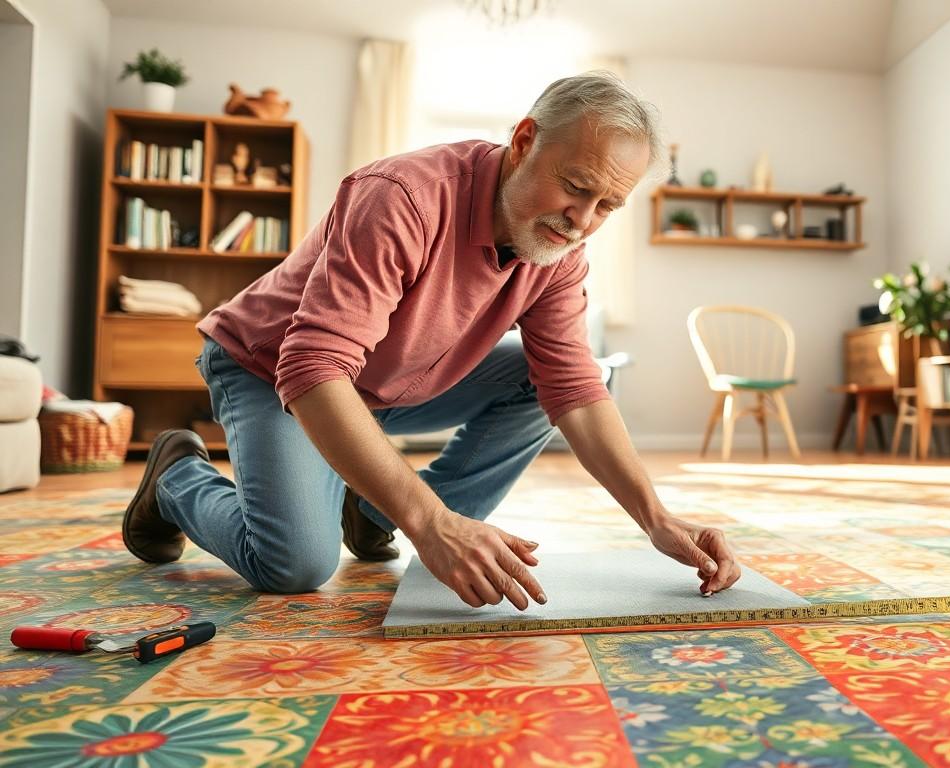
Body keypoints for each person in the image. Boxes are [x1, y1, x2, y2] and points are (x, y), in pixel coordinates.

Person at [122, 72, 742, 610]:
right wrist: (431, 522)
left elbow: (573, 389)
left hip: (388, 381)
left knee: (569, 377)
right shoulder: (402, 197)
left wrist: (655, 518)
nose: (582, 221)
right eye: (576, 187)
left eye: (608, 204)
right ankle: (176, 476)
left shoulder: (559, 253)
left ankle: (372, 510)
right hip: (272, 367)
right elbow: (313, 365)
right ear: (524, 142)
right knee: (296, 567)